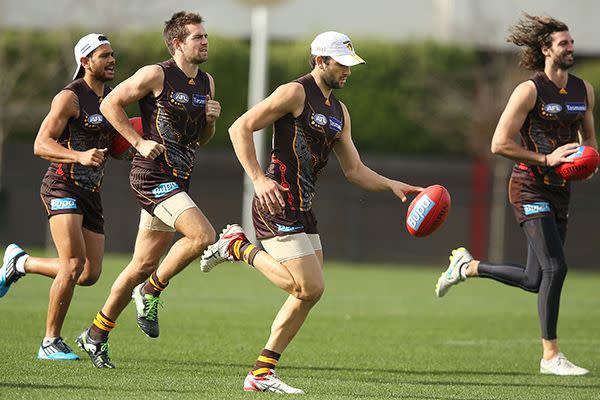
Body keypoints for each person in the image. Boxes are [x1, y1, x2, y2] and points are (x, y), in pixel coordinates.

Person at [199, 31, 423, 393]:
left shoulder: (339, 111)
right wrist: (258, 179)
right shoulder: (295, 92)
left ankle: (261, 372)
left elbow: (355, 170)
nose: (349, 71)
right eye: (342, 64)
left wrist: (392, 185)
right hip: (276, 201)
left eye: (351, 64)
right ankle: (236, 246)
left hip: (303, 207)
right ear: (320, 61)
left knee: (310, 292)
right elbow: (239, 126)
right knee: (307, 285)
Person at [435, 14, 597, 376]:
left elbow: (589, 136)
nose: (571, 48)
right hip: (528, 185)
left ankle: (467, 266)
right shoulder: (529, 90)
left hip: (561, 191)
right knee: (557, 267)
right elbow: (498, 144)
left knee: (535, 279)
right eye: (563, 44)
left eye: (572, 43)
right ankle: (550, 356)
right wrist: (546, 158)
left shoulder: (584, 90)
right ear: (545, 50)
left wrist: (590, 161)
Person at [76, 11, 222, 369]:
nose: (204, 41)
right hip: (152, 176)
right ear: (177, 44)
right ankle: (152, 291)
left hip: (179, 177)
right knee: (204, 236)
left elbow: (200, 140)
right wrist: (138, 142)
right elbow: (109, 104)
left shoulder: (207, 83)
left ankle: (95, 334)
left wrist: (210, 124)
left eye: (205, 36)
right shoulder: (156, 74)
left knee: (140, 265)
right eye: (197, 37)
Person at [0, 34, 116, 360]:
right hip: (62, 186)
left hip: (91, 192)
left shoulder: (111, 99)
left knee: (89, 274)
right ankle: (50, 342)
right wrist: (79, 157)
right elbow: (41, 144)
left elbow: (113, 145)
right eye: (103, 55)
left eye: (112, 55)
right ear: (84, 61)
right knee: (73, 264)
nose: (111, 60)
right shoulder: (70, 97)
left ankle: (20, 263)